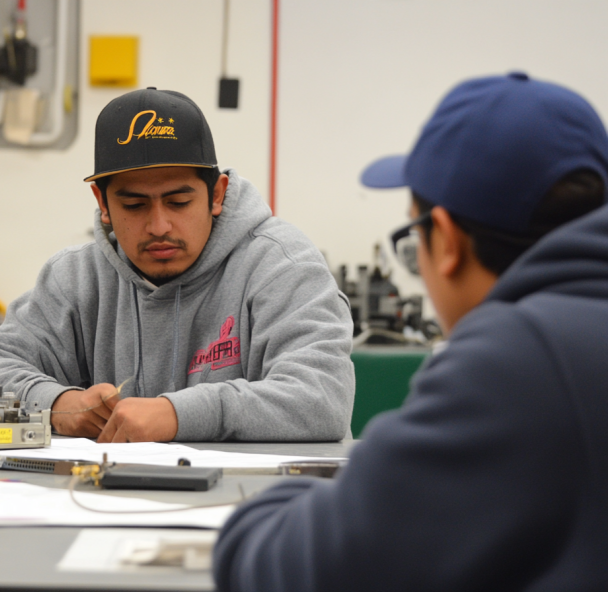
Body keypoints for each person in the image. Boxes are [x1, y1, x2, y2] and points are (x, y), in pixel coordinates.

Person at [214, 72, 608, 591]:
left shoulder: (519, 357)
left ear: (444, 242)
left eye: (412, 234)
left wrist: (267, 508)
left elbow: (298, 567)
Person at [0, 88, 354, 443]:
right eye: (134, 205)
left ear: (217, 195)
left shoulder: (280, 264)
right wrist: (58, 403)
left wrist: (177, 414)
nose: (159, 226)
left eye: (179, 202)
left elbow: (322, 397)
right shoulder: (74, 279)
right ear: (102, 202)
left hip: (254, 509)